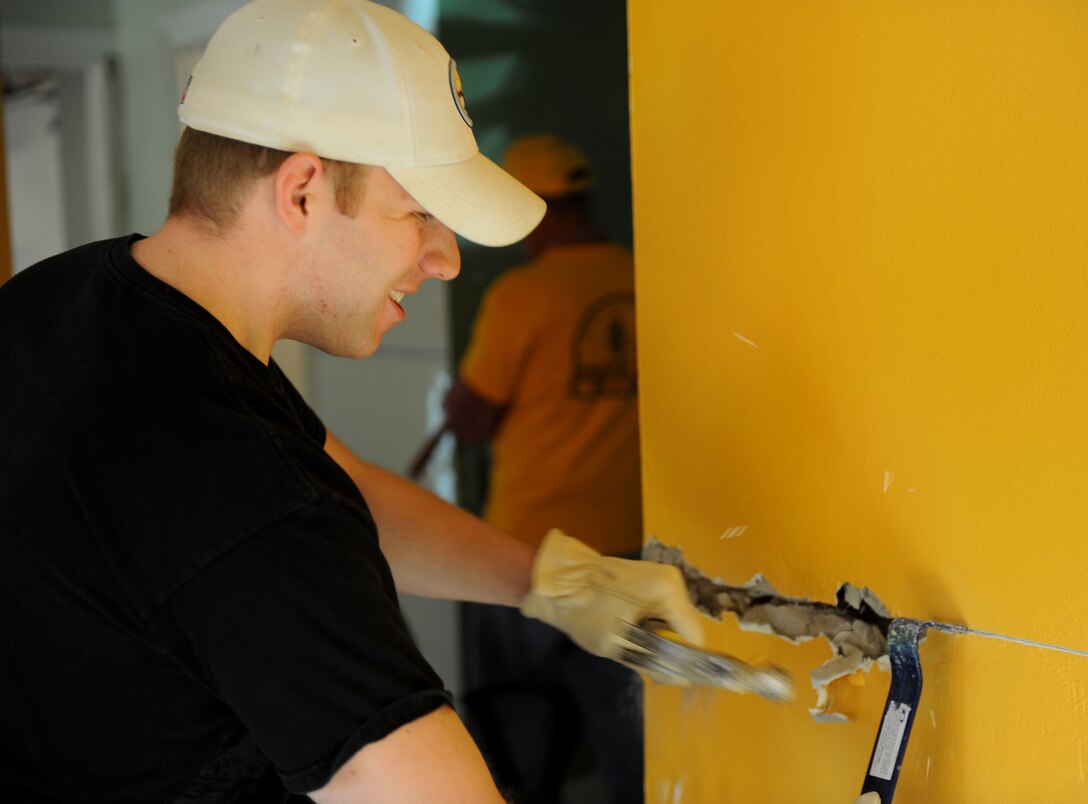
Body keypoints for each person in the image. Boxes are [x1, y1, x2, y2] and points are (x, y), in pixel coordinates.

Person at [0, 2, 704, 802]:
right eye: (420, 215)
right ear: (301, 191)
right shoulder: (239, 490)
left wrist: (551, 579)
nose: (445, 261)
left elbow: (346, 485)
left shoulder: (68, 299)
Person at [441, 135, 645, 803]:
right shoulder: (641, 275)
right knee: (630, 747)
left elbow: (472, 417)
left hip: (527, 553)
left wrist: (460, 401)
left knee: (518, 748)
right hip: (627, 546)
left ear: (536, 209)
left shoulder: (522, 295)